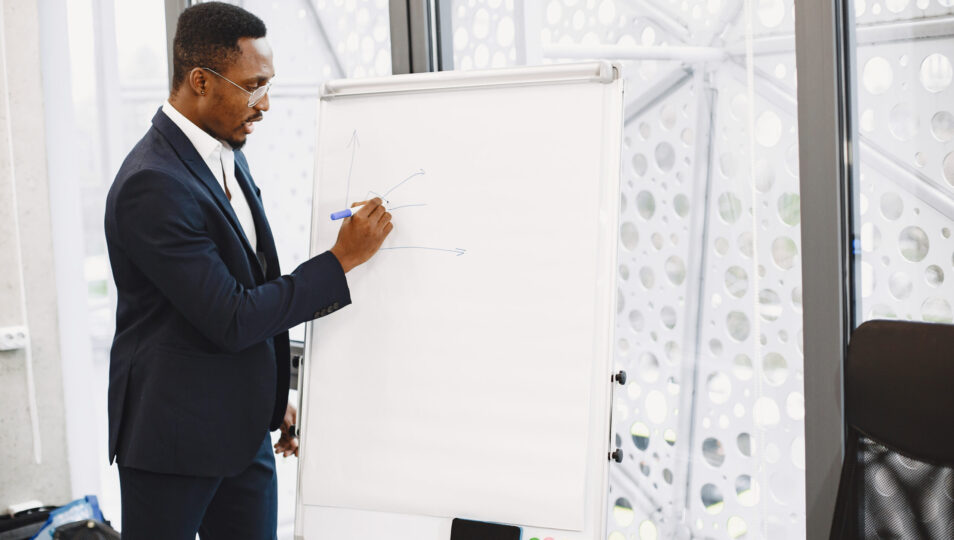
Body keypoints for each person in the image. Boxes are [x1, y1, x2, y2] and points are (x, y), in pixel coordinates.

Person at [102, 3, 391, 538]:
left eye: (269, 84)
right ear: (200, 82)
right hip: (173, 443)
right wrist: (341, 260)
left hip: (244, 430)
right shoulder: (152, 184)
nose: (265, 104)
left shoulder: (224, 150)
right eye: (253, 86)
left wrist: (270, 397)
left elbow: (252, 281)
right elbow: (231, 314)